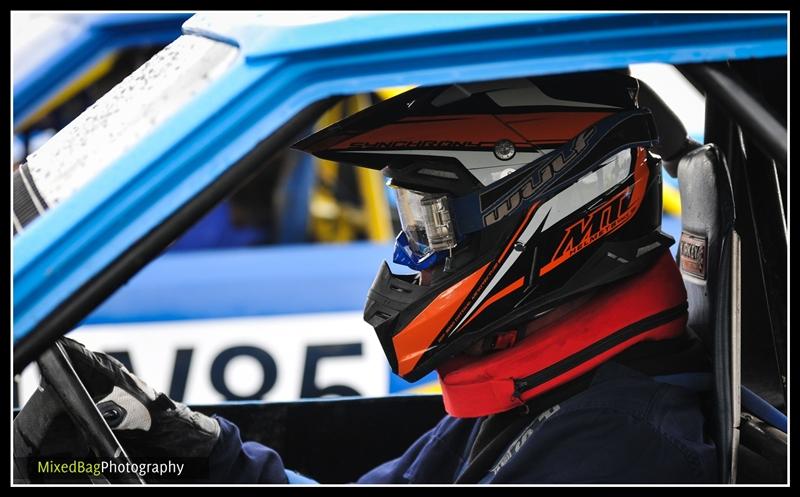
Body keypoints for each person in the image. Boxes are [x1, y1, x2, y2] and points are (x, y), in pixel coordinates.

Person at [62, 71, 719, 483]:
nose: (413, 255)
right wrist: (195, 451)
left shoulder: (619, 451)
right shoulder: (547, 382)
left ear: (550, 211)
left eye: (429, 224)